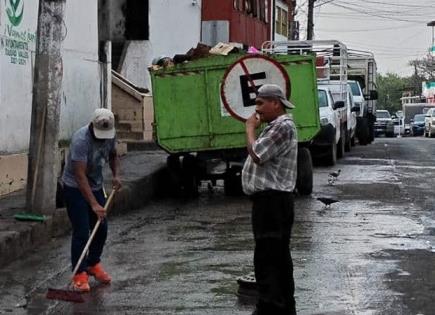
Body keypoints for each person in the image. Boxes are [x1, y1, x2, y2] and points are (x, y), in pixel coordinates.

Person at [242, 84, 298, 315]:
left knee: (268, 258)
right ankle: (282, 307)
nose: (257, 109)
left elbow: (257, 154)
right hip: (271, 201)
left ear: (276, 103)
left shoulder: (282, 127)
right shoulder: (276, 126)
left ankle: (269, 308)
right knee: (276, 256)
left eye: (260, 103)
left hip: (273, 202)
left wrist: (249, 129)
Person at [62, 108, 121, 292]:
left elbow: (113, 154)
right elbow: (79, 176)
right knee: (81, 230)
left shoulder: (109, 134)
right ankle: (79, 273)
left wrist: (116, 175)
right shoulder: (80, 140)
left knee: (101, 227)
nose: (103, 138)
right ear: (92, 125)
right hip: (74, 187)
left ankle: (93, 263)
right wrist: (94, 204)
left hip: (95, 185)